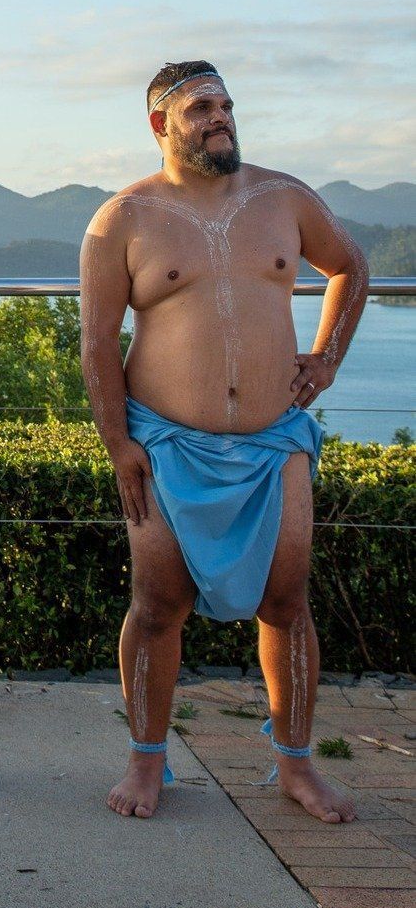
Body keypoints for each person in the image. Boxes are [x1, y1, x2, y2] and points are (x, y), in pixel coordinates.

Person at [81, 61, 368, 822]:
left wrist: (327, 357)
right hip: (164, 442)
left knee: (286, 600)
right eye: (200, 108)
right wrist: (119, 445)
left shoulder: (284, 198)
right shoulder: (122, 218)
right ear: (159, 125)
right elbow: (94, 344)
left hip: (275, 441)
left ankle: (296, 767)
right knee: (154, 605)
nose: (220, 118)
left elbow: (349, 265)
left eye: (226, 105)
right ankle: (146, 763)